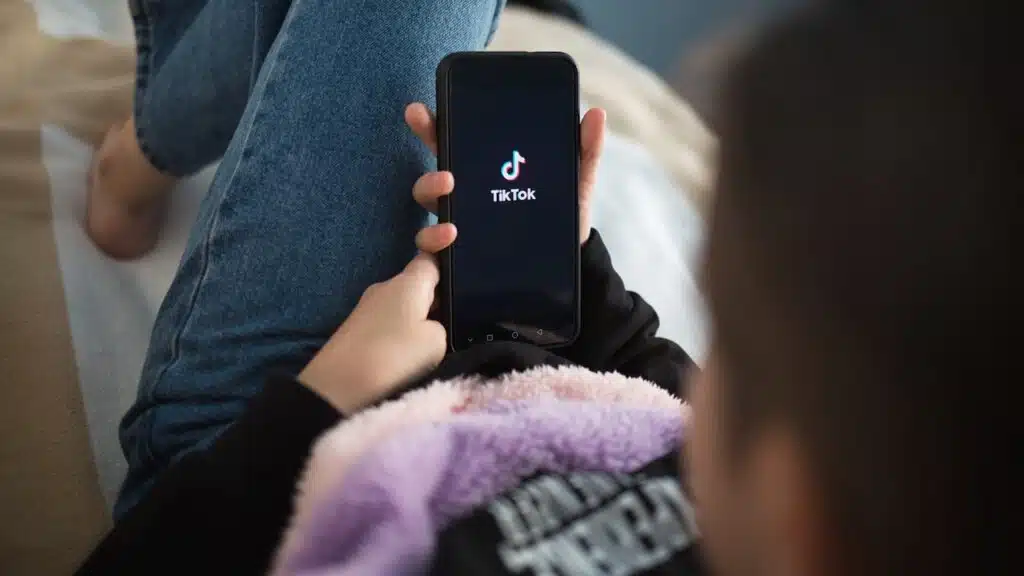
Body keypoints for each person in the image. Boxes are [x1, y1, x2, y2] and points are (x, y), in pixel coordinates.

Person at [81, 0, 1013, 575]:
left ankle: (151, 147)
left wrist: (321, 400)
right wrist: (566, 265)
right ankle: (154, 142)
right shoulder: (852, 480)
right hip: (469, 339)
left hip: (261, 465)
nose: (707, 364)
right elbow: (657, 388)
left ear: (796, 508)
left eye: (737, 342)